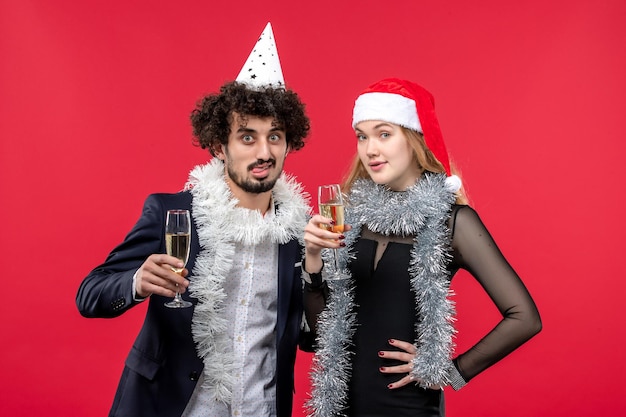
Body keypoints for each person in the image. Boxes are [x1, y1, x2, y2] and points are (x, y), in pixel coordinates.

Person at [76, 23, 313, 417]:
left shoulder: (299, 233)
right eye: (247, 137)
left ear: (289, 143)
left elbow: (311, 333)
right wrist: (137, 282)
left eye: (275, 136)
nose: (265, 151)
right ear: (220, 145)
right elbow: (90, 294)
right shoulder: (174, 214)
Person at [302, 78, 542, 417]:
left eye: (384, 134)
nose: (370, 149)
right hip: (341, 405)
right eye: (362, 136)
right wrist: (313, 257)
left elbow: (524, 318)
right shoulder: (352, 218)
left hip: (407, 407)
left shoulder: (453, 221)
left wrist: (451, 372)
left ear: (414, 139)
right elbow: (323, 336)